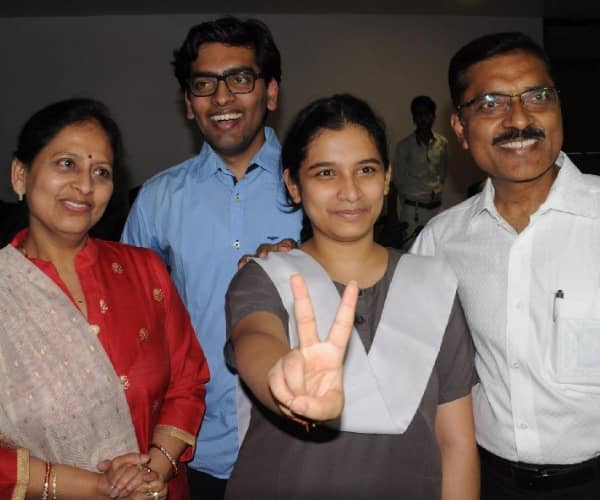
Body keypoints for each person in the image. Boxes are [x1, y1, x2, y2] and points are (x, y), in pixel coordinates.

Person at [224, 94, 478, 499]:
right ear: (293, 184)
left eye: (366, 170)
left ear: (388, 177)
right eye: (326, 173)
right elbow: (256, 338)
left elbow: (456, 441)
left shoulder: (432, 284)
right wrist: (286, 379)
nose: (350, 191)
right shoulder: (263, 277)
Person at [412, 32, 600, 499]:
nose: (520, 119)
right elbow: (403, 350)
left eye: (537, 96)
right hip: (487, 480)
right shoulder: (441, 241)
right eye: (491, 103)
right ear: (460, 128)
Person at [121, 16, 303, 499]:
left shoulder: (315, 186)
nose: (221, 98)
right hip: (186, 451)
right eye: (204, 84)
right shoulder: (157, 200)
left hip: (297, 447)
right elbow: (127, 325)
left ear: (270, 92)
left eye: (240, 79)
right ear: (188, 102)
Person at [0, 98, 209, 500]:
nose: (85, 185)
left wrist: (154, 469)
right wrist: (99, 487)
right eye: (66, 164)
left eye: (101, 172)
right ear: (20, 175)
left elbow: (188, 380)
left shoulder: (145, 270)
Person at [392, 95, 448, 247]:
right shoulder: (404, 146)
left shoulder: (442, 143)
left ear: (433, 116)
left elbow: (442, 174)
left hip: (436, 209)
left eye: (427, 114)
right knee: (412, 250)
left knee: (437, 250)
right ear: (413, 118)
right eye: (418, 114)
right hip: (413, 211)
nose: (423, 118)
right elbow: (398, 179)